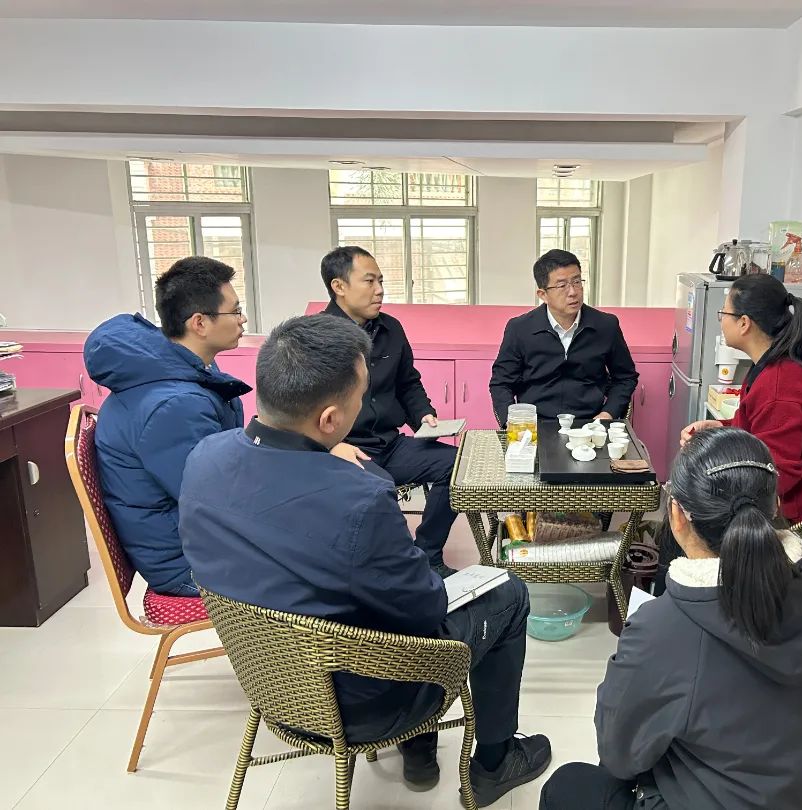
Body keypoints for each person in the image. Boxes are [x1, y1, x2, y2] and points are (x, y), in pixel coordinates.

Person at [179, 315, 552, 806]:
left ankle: (421, 747)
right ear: (330, 420)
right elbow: (424, 611)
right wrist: (365, 482)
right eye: (361, 397)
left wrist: (320, 456)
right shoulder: (360, 499)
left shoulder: (204, 457)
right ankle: (495, 762)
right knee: (507, 592)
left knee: (381, 591)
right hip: (361, 704)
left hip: (271, 681)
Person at [540, 428, 802, 810]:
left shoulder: (664, 629)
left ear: (676, 514)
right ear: (775, 504)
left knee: (568, 786)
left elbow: (618, 754)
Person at [85, 256, 251, 596]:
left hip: (194, 541)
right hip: (190, 562)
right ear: (199, 323)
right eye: (235, 311)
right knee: (329, 559)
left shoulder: (180, 372)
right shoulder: (174, 405)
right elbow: (217, 502)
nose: (242, 319)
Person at [681, 274, 802, 569]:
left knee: (691, 527)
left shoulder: (781, 383)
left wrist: (717, 495)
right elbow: (756, 432)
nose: (721, 321)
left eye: (724, 313)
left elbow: (779, 474)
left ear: (744, 323)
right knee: (689, 512)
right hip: (797, 511)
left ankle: (689, 592)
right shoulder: (771, 368)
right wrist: (720, 428)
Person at [320, 246, 459, 578]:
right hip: (342, 449)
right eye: (369, 281)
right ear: (339, 286)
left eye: (381, 281)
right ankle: (390, 571)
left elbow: (408, 383)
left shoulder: (391, 329)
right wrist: (331, 445)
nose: (380, 290)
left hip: (390, 444)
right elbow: (302, 405)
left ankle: (428, 557)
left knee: (457, 467)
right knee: (380, 491)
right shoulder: (316, 337)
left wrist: (423, 415)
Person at [489, 249, 638, 425]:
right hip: (536, 424)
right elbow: (501, 383)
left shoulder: (606, 326)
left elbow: (625, 378)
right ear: (543, 294)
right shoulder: (520, 329)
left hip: (590, 423)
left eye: (577, 281)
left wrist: (608, 413)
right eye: (562, 286)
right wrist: (513, 423)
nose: (573, 292)